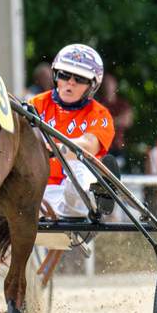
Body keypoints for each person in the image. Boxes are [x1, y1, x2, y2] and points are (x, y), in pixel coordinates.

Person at [28, 44, 114, 218]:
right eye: (64, 75)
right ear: (55, 75)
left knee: (78, 164)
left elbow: (89, 146)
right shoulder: (34, 105)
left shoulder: (100, 114)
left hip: (75, 195)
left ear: (92, 84)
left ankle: (102, 191)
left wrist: (51, 149)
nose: (70, 82)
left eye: (80, 79)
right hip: (35, 189)